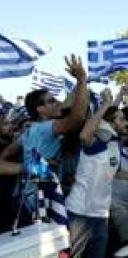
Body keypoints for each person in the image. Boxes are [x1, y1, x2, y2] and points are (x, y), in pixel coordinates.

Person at [65, 92, 128, 258]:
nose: (126, 123)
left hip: (101, 213)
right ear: (108, 123)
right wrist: (105, 105)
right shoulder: (98, 141)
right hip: (80, 213)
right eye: (120, 120)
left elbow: (116, 173)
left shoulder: (115, 146)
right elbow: (84, 135)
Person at [0, 55, 88, 220]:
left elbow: (8, 151)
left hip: (25, 200)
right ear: (40, 109)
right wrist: (82, 80)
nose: (57, 103)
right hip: (38, 203)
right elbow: (77, 118)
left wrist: (27, 167)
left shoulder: (30, 131)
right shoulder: (45, 128)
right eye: (51, 101)